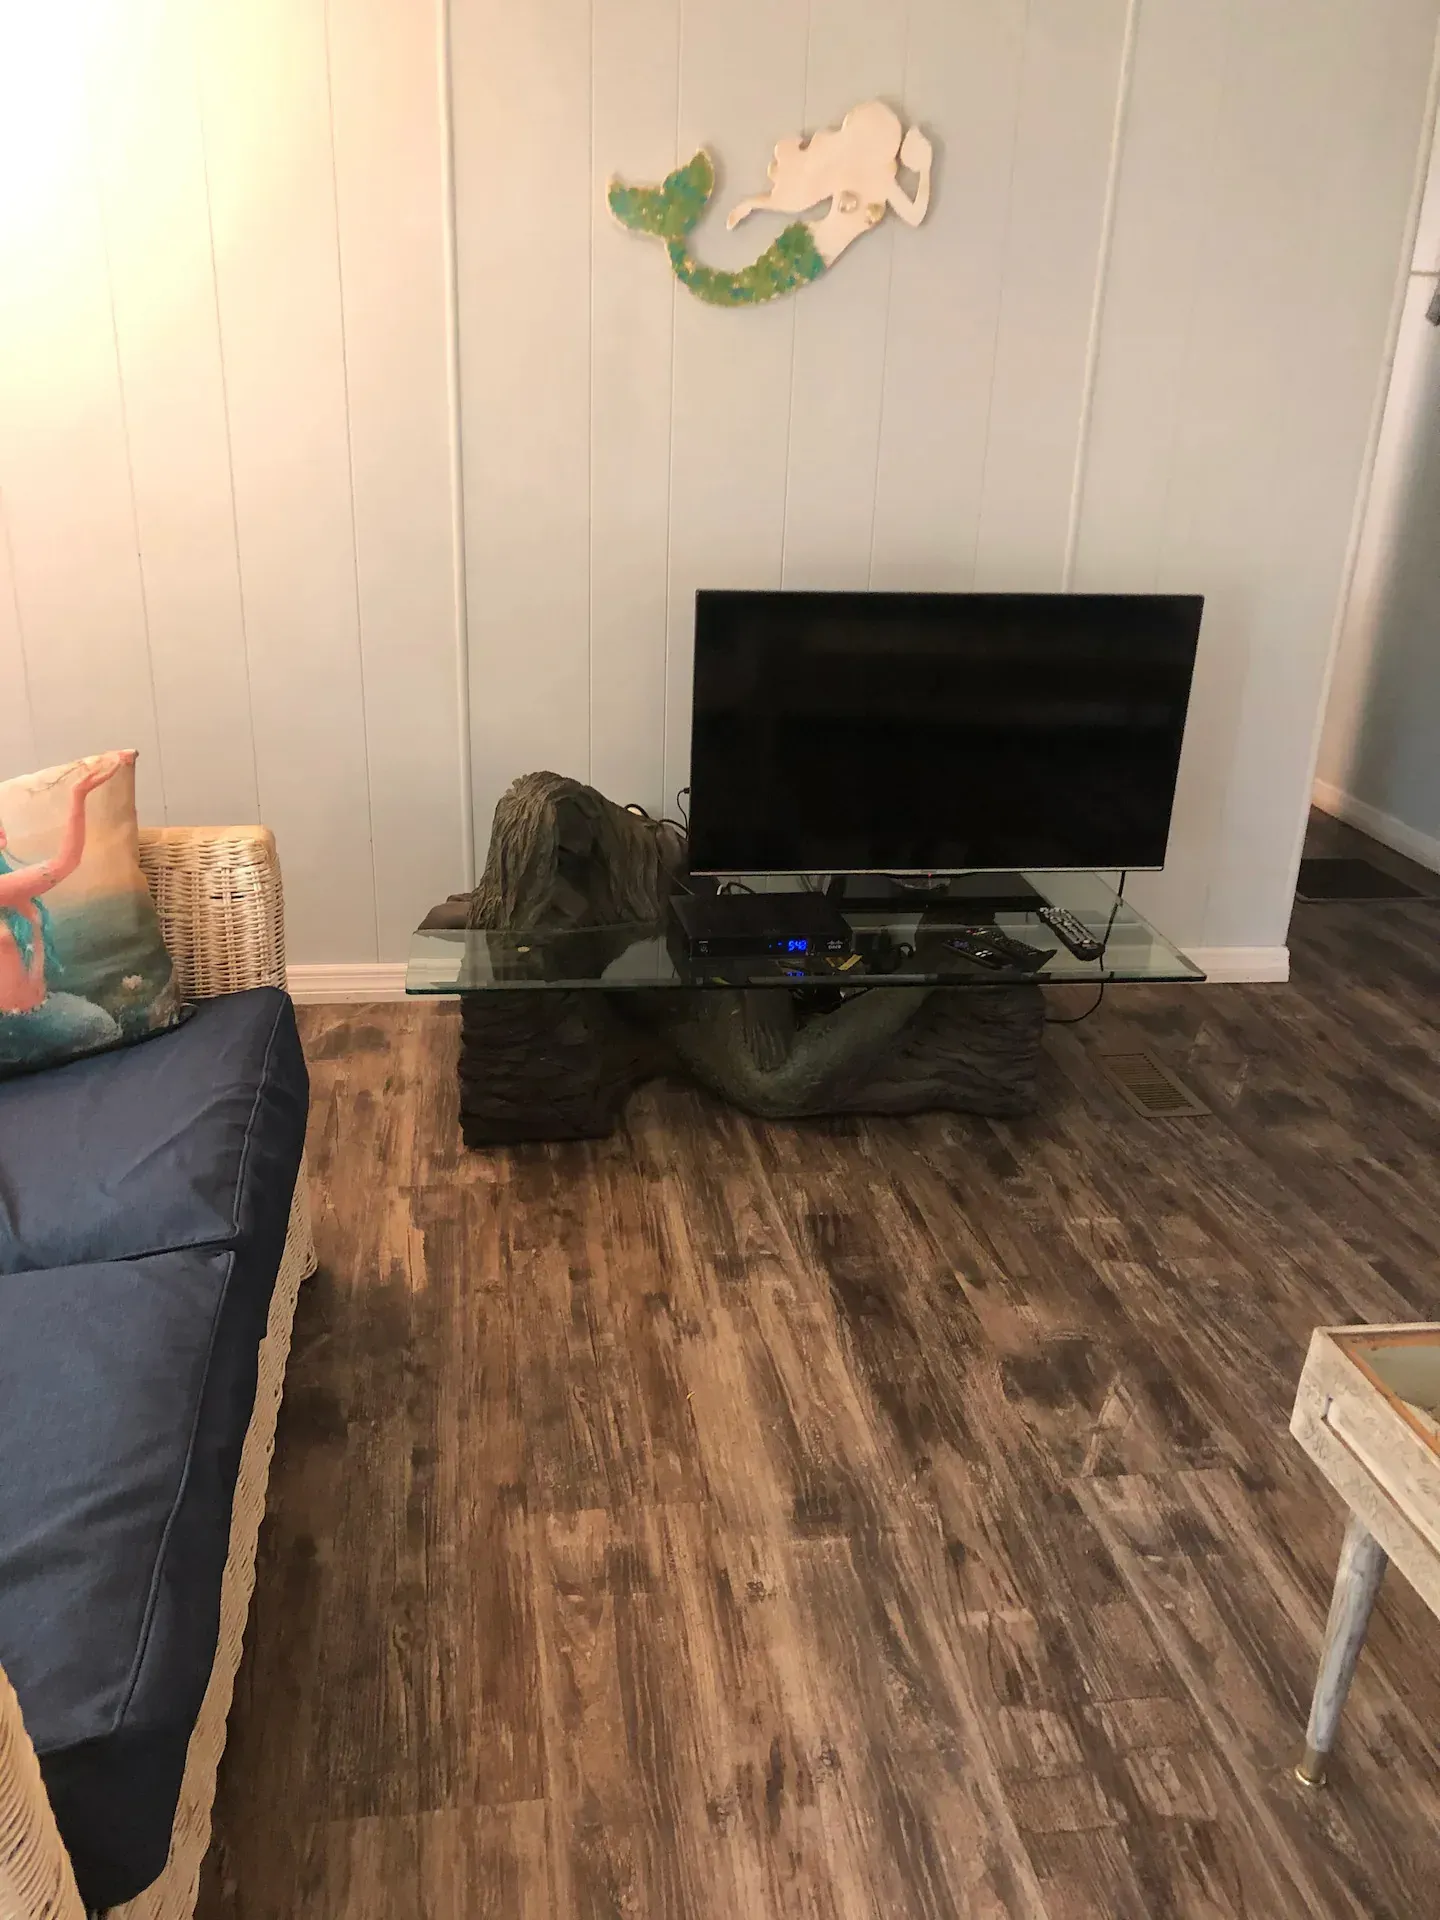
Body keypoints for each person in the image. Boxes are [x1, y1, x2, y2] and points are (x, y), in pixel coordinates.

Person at [0, 750, 132, 1063]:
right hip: (12, 1025)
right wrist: (78, 794)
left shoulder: (13, 882)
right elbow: (64, 862)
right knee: (100, 1026)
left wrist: (78, 795)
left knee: (102, 1024)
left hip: (40, 1009)